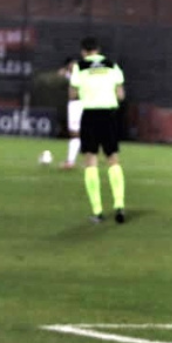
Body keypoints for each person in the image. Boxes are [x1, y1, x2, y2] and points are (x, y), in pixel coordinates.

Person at [70, 37, 126, 223]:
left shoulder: (80, 66)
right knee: (113, 159)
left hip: (90, 115)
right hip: (109, 115)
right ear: (98, 49)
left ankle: (98, 211)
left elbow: (73, 92)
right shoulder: (111, 64)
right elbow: (120, 94)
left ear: (83, 51)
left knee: (91, 160)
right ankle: (119, 205)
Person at [58, 57, 82, 169]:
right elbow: (61, 74)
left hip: (78, 104)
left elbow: (73, 93)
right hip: (77, 104)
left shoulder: (79, 75)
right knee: (80, 132)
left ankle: (71, 161)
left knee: (75, 133)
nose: (73, 66)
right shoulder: (71, 74)